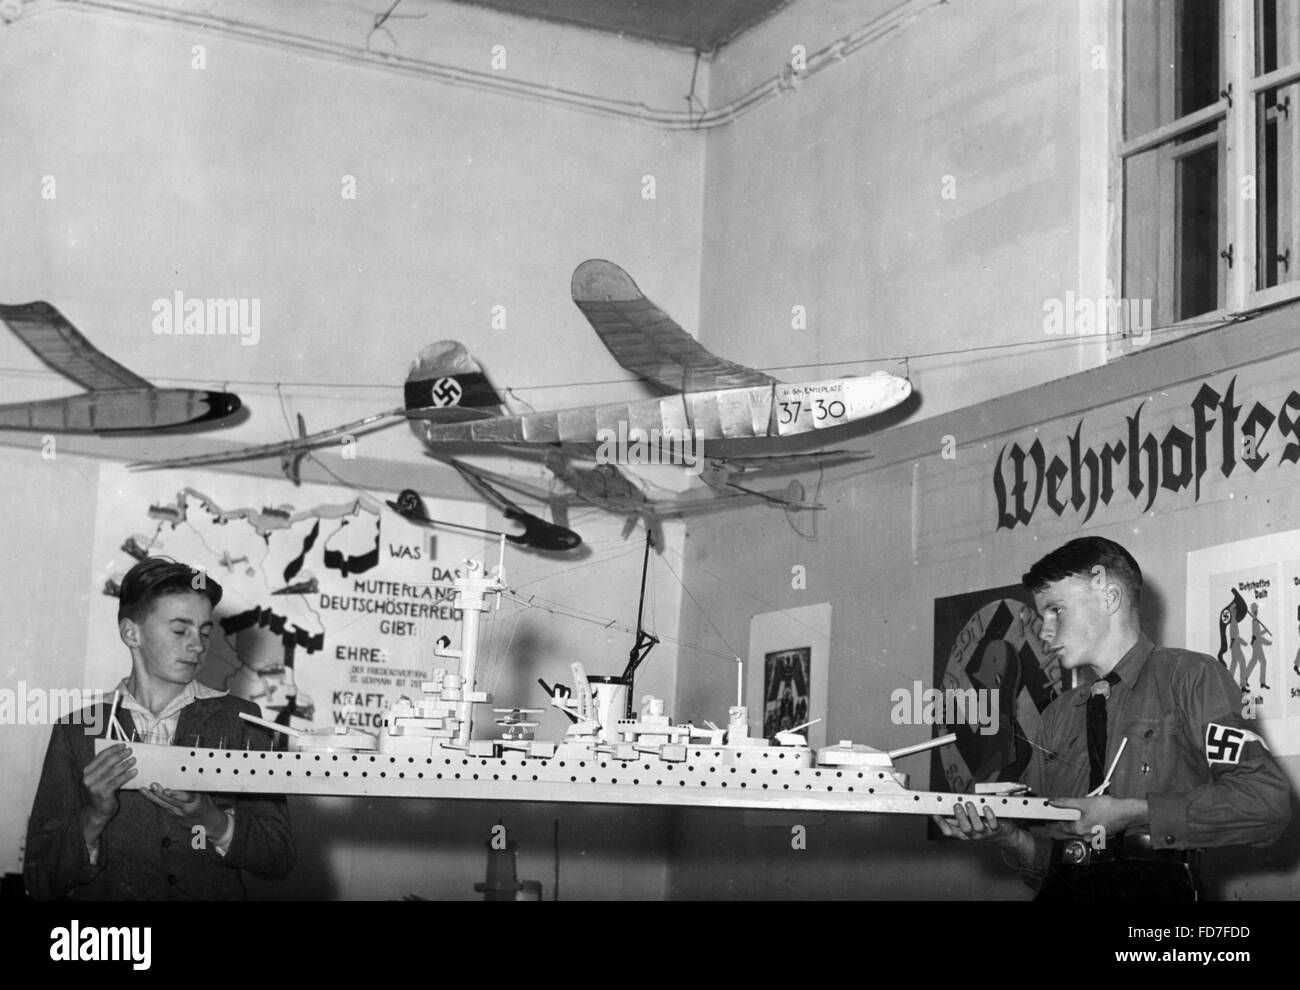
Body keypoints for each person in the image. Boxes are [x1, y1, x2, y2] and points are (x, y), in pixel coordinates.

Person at [933, 537, 1291, 900]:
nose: (1043, 631)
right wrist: (1009, 837)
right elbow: (1048, 862)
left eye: (1056, 610)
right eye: (1042, 616)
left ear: (1110, 598)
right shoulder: (1058, 714)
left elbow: (1266, 804)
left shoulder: (1191, 678)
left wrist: (1132, 813)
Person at [24, 557, 295, 899]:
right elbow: (38, 880)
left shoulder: (242, 720)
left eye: (205, 632)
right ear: (130, 633)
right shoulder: (77, 729)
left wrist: (211, 819)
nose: (198, 645)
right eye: (181, 630)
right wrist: (94, 816)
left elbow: (279, 856)